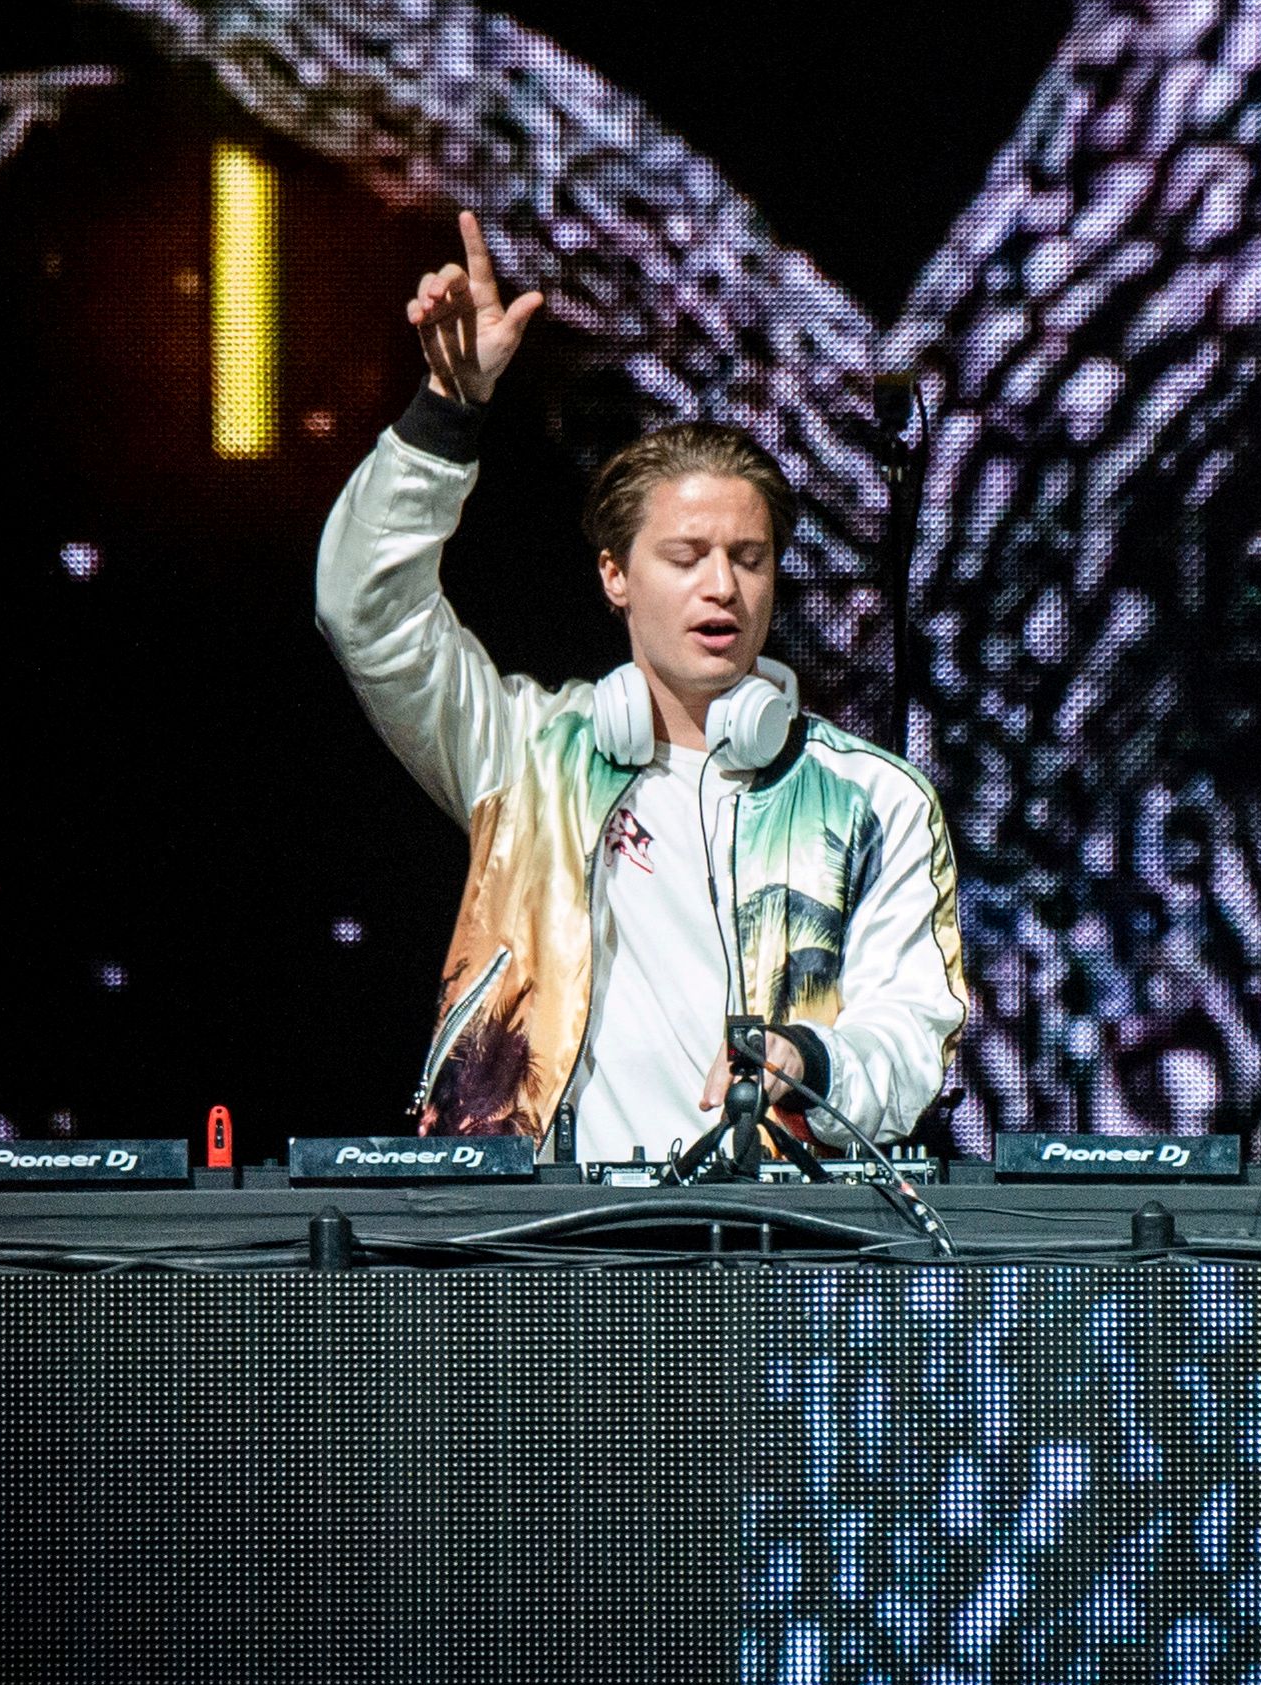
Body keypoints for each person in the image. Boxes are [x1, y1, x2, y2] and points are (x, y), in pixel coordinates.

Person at [314, 211, 969, 1164]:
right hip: (546, 1235)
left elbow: (913, 1035)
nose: (722, 585)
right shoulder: (526, 757)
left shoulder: (874, 797)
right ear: (615, 575)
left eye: (748, 557)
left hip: (778, 1236)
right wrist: (445, 412)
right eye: (686, 556)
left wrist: (812, 1061)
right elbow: (363, 610)